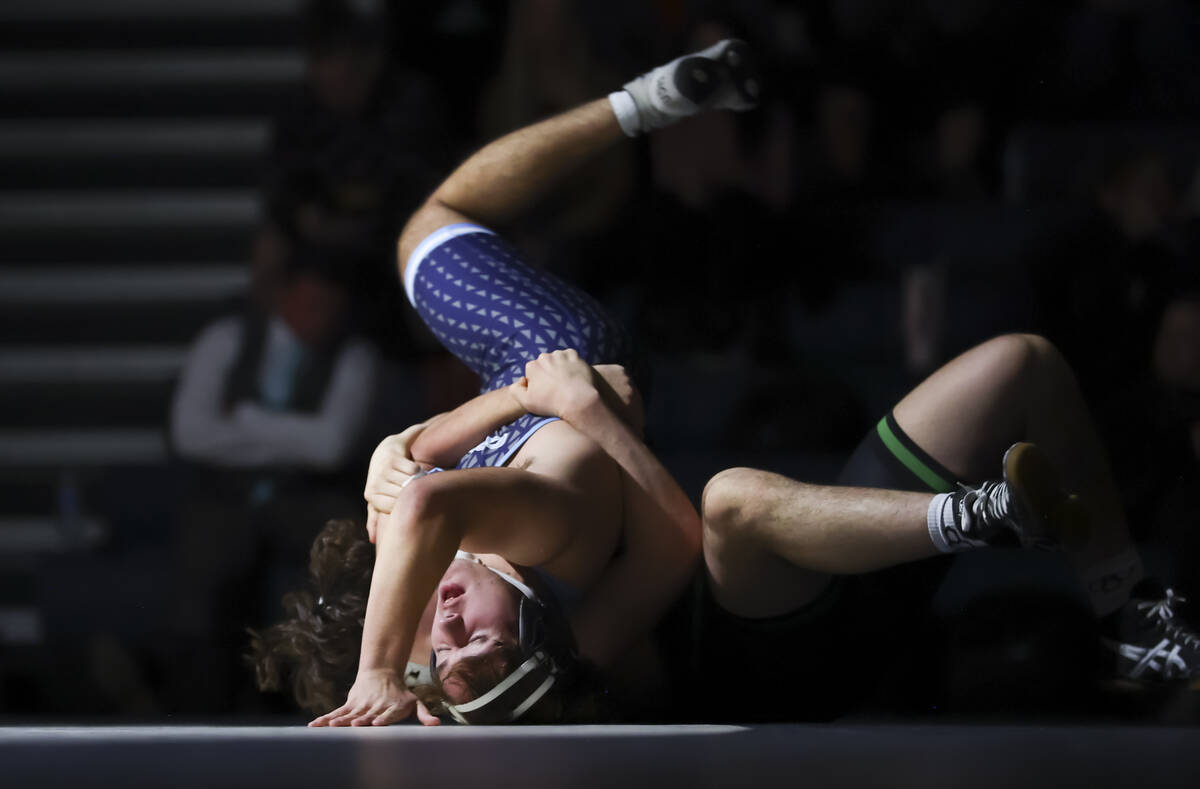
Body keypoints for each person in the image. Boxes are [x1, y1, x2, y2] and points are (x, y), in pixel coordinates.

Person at [252, 39, 762, 725]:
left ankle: (637, 114)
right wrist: (381, 671)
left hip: (532, 385)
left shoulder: (549, 637)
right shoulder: (543, 544)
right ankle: (645, 103)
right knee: (431, 226)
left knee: (446, 223)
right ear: (532, 625)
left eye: (440, 656)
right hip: (559, 354)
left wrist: (402, 444)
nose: (448, 622)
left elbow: (670, 546)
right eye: (479, 639)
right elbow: (675, 539)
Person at [698, 332, 1200, 722]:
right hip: (754, 664)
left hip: (844, 571)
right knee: (730, 499)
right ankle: (986, 514)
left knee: (1027, 362)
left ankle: (1133, 628)